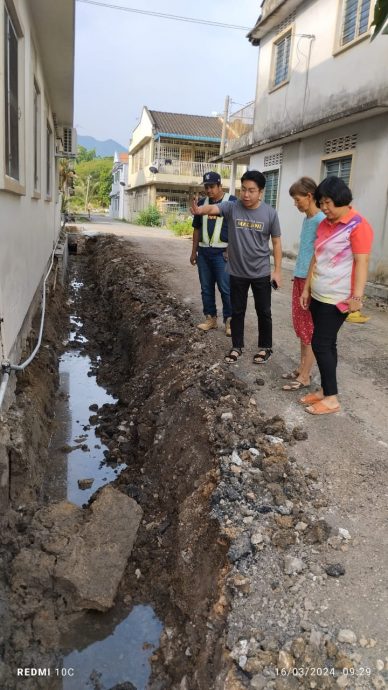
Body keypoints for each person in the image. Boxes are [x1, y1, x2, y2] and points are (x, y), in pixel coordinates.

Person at [191, 170, 282, 363]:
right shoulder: (232, 207)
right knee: (237, 310)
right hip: (237, 271)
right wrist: (200, 210)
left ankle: (265, 347)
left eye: (251, 190)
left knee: (263, 312)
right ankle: (236, 346)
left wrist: (277, 271)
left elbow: (276, 243)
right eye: (243, 190)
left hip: (261, 272)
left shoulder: (270, 213)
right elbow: (214, 209)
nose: (246, 195)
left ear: (261, 192)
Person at [299, 176, 373, 415]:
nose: (324, 208)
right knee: (327, 344)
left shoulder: (358, 226)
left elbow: (362, 262)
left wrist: (357, 298)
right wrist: (307, 287)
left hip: (338, 299)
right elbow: (316, 256)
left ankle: (331, 399)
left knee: (321, 343)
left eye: (328, 203)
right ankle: (324, 389)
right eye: (321, 203)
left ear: (342, 200)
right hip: (319, 294)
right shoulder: (324, 224)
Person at [282, 177, 325, 391]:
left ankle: (306, 375)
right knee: (300, 327)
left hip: (311, 282)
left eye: (297, 200)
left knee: (309, 328)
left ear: (309, 197)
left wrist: (307, 284)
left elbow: (318, 256)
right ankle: (301, 368)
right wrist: (298, 275)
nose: (295, 204)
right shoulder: (308, 219)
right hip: (300, 278)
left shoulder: (320, 220)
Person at [191, 172, 236, 336]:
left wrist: (230, 250)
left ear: (219, 186)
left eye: (211, 187)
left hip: (222, 254)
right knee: (206, 288)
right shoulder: (202, 203)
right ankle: (210, 319)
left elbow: (237, 229)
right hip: (203, 253)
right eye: (206, 187)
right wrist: (194, 252)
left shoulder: (232, 202)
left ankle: (230, 321)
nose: (208, 190)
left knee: (226, 288)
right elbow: (196, 229)